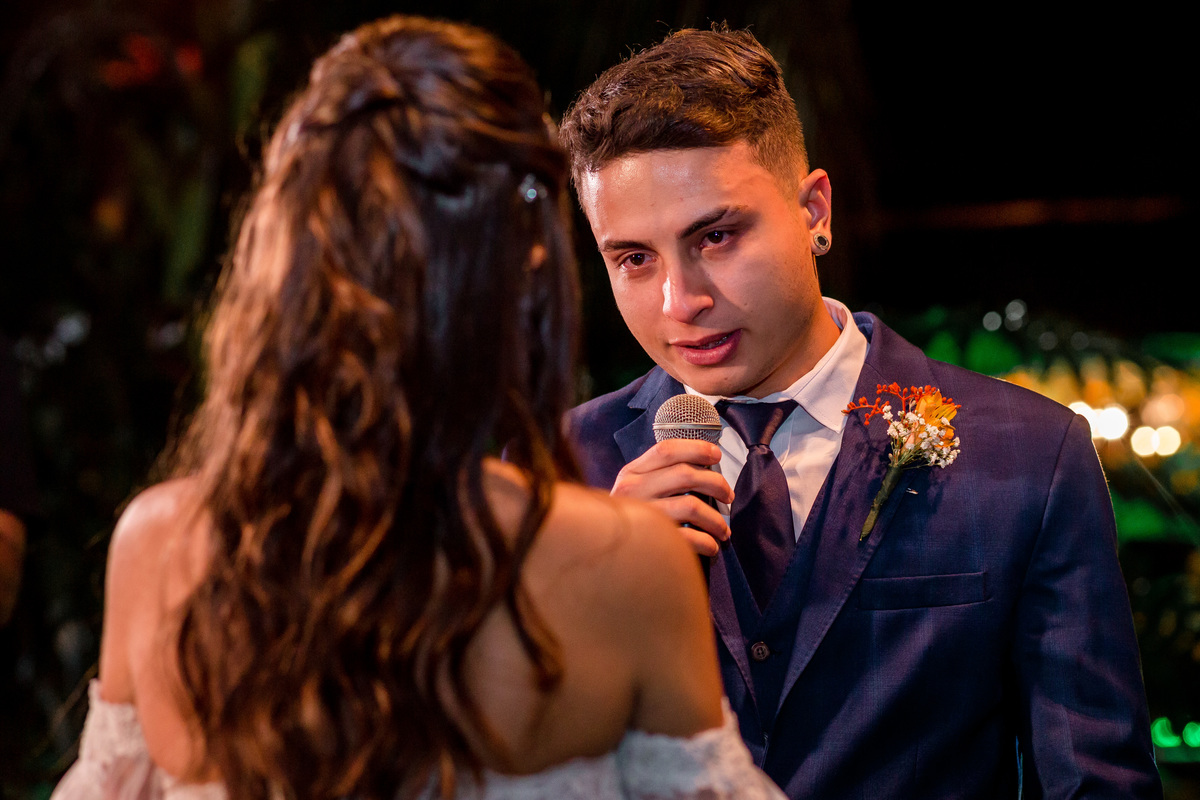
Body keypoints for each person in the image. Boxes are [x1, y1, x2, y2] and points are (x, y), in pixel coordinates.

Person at [51, 17, 786, 800]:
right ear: (527, 266)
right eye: (631, 257)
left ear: (285, 258)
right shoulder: (626, 564)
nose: (681, 298)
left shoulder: (158, 548)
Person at [561, 26, 1161, 799]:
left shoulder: (1030, 457)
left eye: (716, 235)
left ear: (814, 210)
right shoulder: (552, 472)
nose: (681, 301)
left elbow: (1097, 787)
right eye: (634, 259)